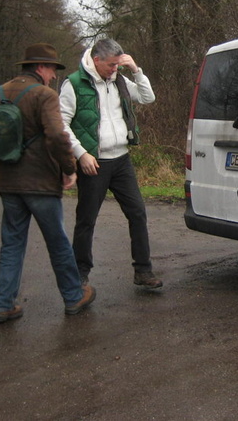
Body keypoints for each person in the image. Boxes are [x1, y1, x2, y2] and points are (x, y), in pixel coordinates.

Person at [0, 43, 96, 324]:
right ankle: (73, 296)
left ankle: (3, 304)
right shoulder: (44, 95)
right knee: (57, 242)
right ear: (41, 68)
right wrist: (69, 169)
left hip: (9, 185)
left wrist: (1, 171)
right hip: (41, 184)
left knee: (11, 245)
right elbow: (57, 136)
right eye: (52, 69)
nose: (54, 75)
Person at [59, 39, 161, 288]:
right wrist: (81, 153)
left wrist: (136, 70)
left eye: (118, 64)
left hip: (121, 160)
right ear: (96, 61)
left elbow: (147, 97)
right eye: (112, 65)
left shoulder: (120, 81)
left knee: (137, 213)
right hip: (94, 163)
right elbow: (61, 123)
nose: (116, 69)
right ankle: (80, 274)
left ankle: (143, 271)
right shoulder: (73, 84)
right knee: (86, 220)